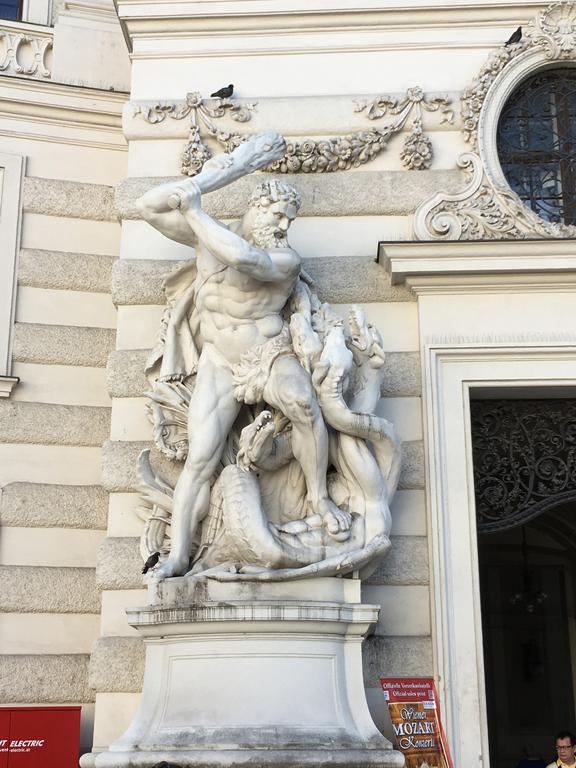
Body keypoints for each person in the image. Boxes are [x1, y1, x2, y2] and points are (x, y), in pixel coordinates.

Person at [138, 174, 351, 580]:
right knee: (199, 459)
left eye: (290, 219)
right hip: (218, 361)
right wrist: (200, 183)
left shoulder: (284, 258)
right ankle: (179, 554)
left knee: (304, 405)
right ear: (255, 209)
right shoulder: (208, 237)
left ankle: (320, 498)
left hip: (267, 352)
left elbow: (247, 261)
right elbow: (147, 206)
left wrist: (195, 210)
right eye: (278, 215)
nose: (284, 227)